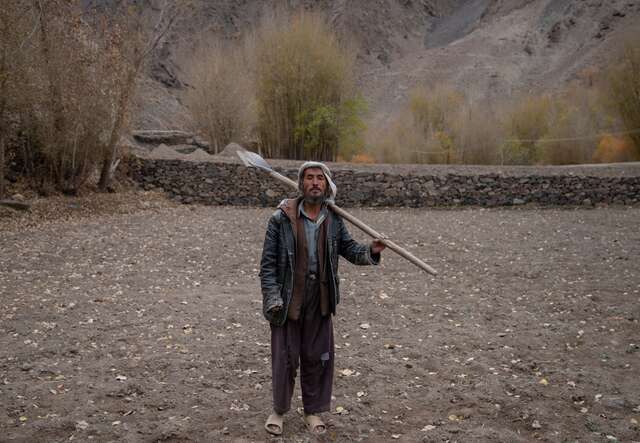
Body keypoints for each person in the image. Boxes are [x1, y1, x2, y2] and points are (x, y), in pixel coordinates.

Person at [259, 161, 385, 435]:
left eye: (320, 179)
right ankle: (279, 410)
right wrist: (271, 298)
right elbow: (267, 266)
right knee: (285, 357)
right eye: (309, 178)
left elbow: (350, 250)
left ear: (326, 186)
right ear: (301, 184)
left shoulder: (333, 219)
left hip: (321, 298)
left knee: (317, 357)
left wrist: (372, 251)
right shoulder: (281, 218)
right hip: (288, 299)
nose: (315, 182)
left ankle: (312, 411)